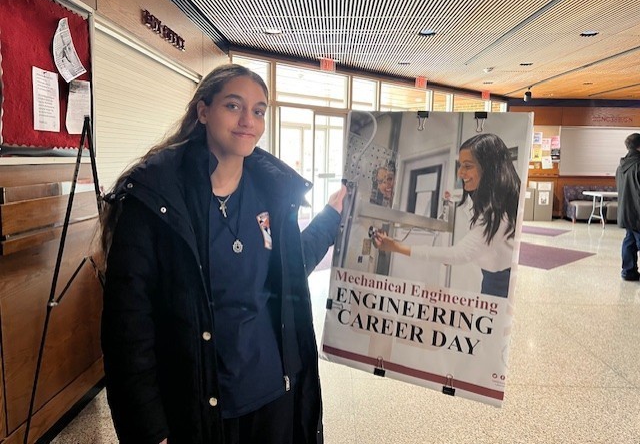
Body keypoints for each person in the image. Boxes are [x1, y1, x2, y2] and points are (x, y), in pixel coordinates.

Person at [99, 63, 346, 444]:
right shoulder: (156, 200)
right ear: (203, 111)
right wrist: (148, 429)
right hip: (200, 407)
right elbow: (128, 327)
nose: (249, 120)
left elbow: (290, 270)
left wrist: (331, 216)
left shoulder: (271, 193)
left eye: (259, 110)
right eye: (234, 106)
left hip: (273, 396)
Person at [372, 133, 520, 298]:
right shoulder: (488, 203)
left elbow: (459, 254)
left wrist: (395, 247)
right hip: (490, 278)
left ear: (490, 168)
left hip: (502, 284)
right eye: (460, 165)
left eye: (468, 166)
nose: (460, 173)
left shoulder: (499, 214)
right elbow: (483, 244)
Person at [615, 133, 640, 281]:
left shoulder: (621, 166)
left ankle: (629, 271)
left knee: (629, 240)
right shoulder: (638, 165)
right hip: (637, 211)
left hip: (626, 211)